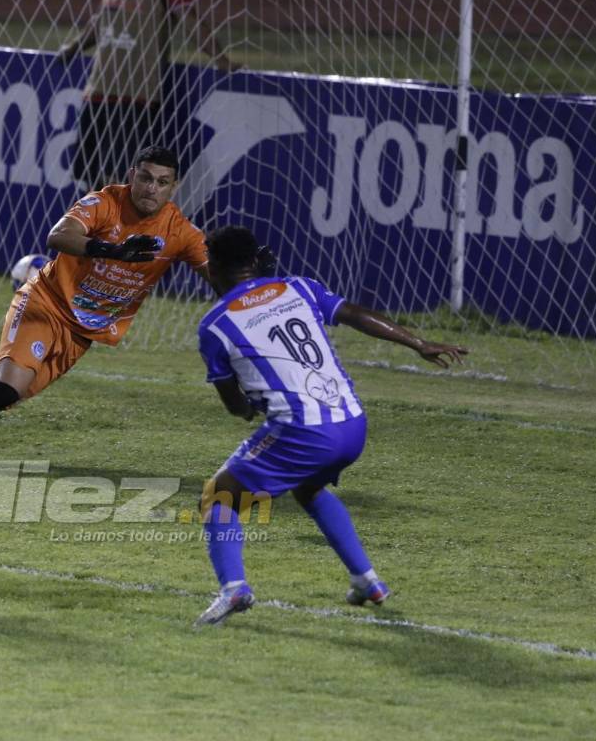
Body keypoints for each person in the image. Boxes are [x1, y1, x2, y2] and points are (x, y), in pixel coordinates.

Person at [0, 146, 210, 467]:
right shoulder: (105, 202)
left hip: (81, 332)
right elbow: (58, 235)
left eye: (162, 182)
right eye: (146, 178)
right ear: (132, 174)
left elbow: (216, 272)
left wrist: (251, 275)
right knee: (4, 387)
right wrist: (112, 250)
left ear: (173, 187)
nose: (152, 188)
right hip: (46, 302)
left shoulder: (180, 232)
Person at [192, 226, 469, 626]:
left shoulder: (215, 326)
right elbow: (355, 313)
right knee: (308, 487)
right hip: (352, 423)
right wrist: (418, 344)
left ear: (211, 268)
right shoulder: (299, 288)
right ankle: (367, 580)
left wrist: (250, 406)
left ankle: (234, 589)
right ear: (255, 261)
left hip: (305, 432)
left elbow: (235, 407)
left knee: (218, 495)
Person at [56, 0, 235, 191]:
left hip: (137, 97)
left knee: (126, 180)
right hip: (97, 93)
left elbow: (191, 23)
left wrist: (221, 59)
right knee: (90, 177)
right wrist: (74, 48)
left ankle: (122, 230)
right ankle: (93, 229)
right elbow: (101, 22)